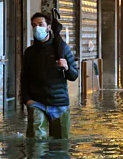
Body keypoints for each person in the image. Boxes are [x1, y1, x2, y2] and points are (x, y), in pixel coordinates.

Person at [21, 12, 79, 140]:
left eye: (40, 24)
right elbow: (24, 78)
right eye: (34, 25)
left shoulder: (62, 48)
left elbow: (74, 76)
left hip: (59, 103)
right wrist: (27, 100)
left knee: (61, 143)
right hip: (37, 103)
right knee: (36, 143)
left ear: (48, 27)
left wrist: (67, 67)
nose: (37, 28)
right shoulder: (30, 52)